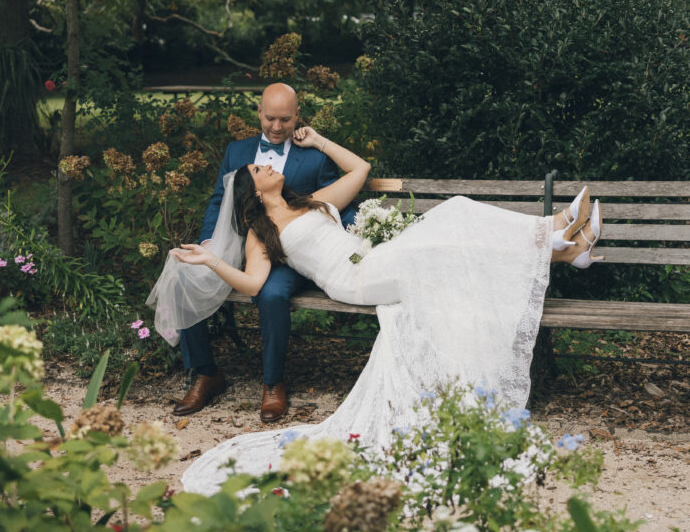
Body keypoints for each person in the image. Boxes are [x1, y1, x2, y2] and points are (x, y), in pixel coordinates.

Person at [160, 127, 602, 496]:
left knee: (452, 224)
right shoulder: (262, 231)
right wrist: (214, 261)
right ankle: (554, 234)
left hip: (377, 256)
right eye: (260, 168)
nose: (270, 164)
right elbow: (255, 284)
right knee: (452, 218)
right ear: (253, 190)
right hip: (355, 278)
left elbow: (361, 169)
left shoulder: (310, 199)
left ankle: (562, 247)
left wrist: (318, 140)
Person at [161, 83, 354, 423]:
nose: (276, 128)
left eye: (284, 119)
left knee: (271, 294)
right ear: (259, 112)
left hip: (286, 252)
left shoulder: (313, 155)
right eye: (269, 119)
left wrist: (349, 241)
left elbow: (337, 201)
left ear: (297, 114)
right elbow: (220, 200)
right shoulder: (237, 151)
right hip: (235, 244)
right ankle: (205, 373)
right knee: (183, 277)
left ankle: (273, 382)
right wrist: (209, 240)